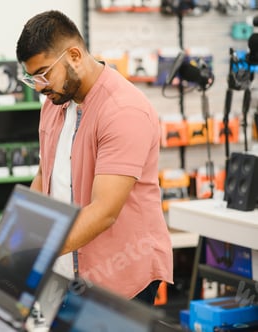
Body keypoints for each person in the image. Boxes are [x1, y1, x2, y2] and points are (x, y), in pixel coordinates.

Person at [16, 10, 173, 305]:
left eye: (45, 74)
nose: (39, 86)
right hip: (67, 264)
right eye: (32, 78)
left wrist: (36, 251)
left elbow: (104, 210)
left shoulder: (123, 110)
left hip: (121, 273)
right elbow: (44, 175)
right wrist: (15, 236)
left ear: (74, 55)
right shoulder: (55, 102)